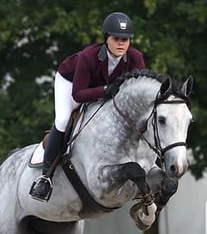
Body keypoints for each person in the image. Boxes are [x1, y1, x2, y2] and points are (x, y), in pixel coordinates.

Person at [29, 11, 146, 201]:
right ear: (106, 38)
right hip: (71, 83)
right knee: (63, 119)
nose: (121, 43)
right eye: (117, 38)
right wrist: (106, 90)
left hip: (104, 91)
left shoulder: (135, 58)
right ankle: (45, 177)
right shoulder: (88, 56)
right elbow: (78, 94)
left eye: (126, 39)